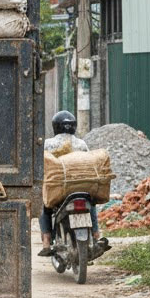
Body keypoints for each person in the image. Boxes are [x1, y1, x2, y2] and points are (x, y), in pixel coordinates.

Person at [38, 110, 109, 257]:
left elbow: (42, 165)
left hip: (62, 188)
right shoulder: (81, 144)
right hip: (82, 186)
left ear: (55, 126)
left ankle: (46, 241)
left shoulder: (48, 144)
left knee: (45, 205)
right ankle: (96, 235)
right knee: (92, 205)